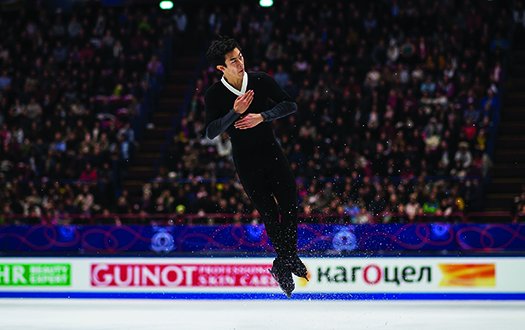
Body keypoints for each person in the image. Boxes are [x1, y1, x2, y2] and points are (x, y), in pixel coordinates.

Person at [204, 36, 307, 297]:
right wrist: (234, 112)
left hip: (272, 152)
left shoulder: (260, 80)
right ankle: (288, 260)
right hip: (246, 161)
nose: (240, 63)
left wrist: (263, 116)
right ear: (221, 68)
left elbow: (290, 104)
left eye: (240, 56)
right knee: (270, 213)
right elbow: (211, 131)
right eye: (232, 61)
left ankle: (283, 261)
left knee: (290, 203)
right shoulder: (215, 94)